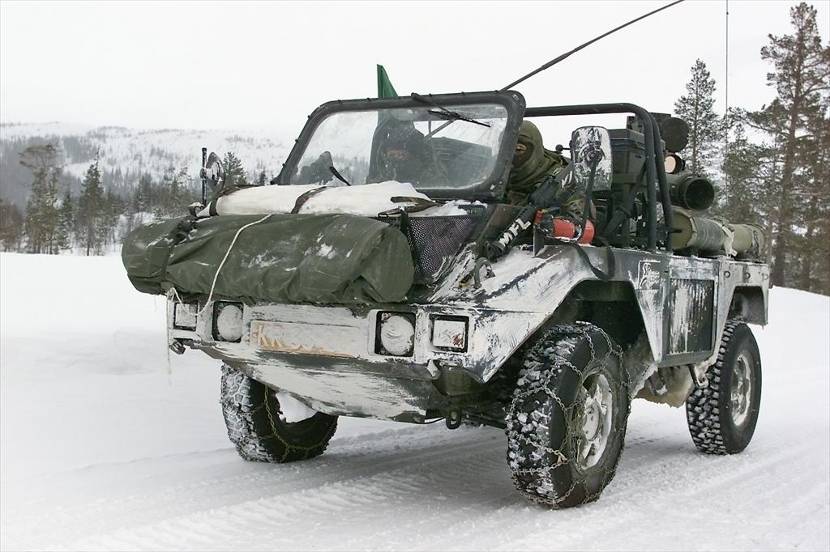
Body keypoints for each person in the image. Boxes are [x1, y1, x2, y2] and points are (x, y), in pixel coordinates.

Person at [506, 120, 588, 222]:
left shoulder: (563, 182)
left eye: (518, 150)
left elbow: (580, 224)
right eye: (504, 150)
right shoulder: (492, 179)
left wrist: (551, 224)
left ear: (535, 150)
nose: (510, 156)